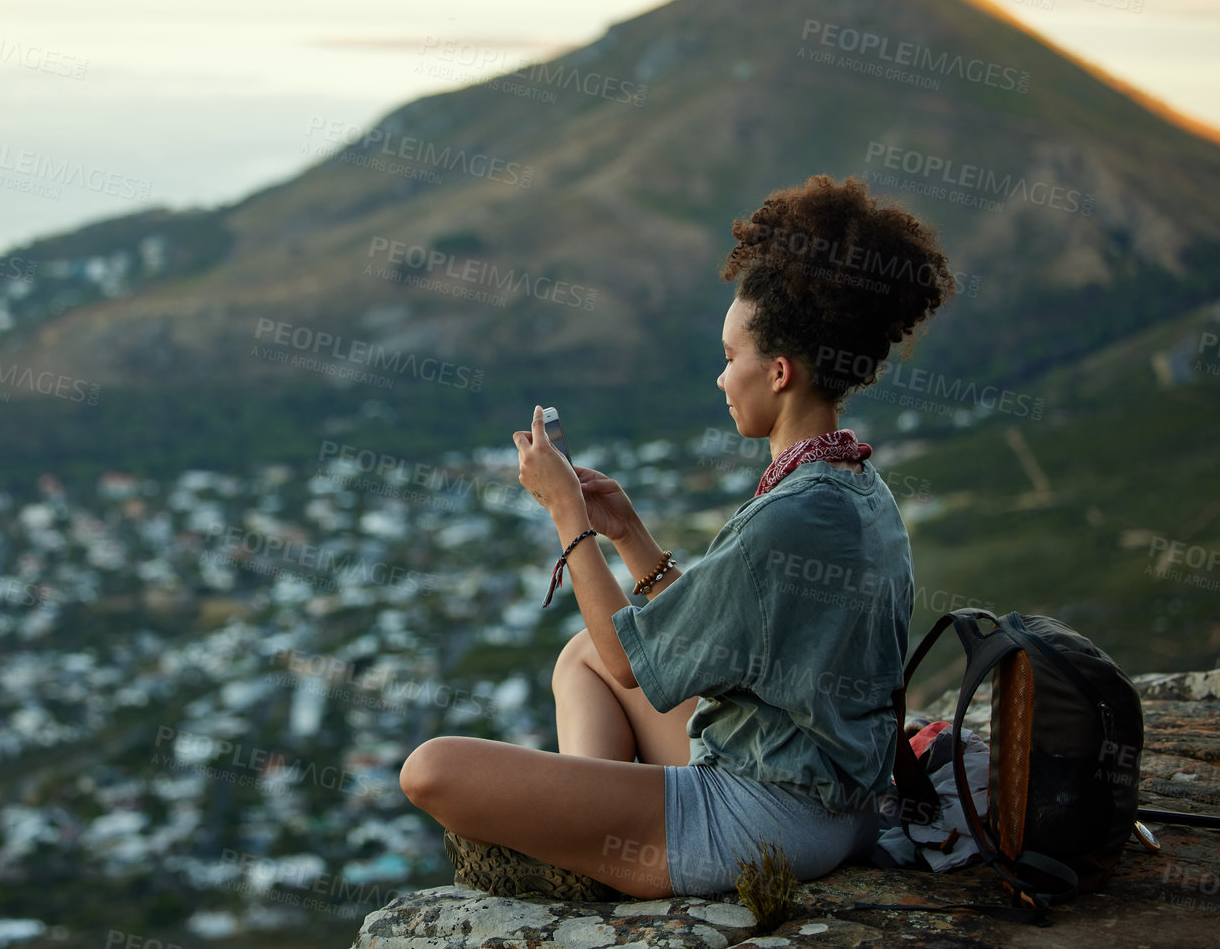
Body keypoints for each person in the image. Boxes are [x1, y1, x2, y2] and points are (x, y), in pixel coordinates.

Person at [399, 174, 956, 899]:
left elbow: (631, 663)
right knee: (581, 659)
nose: (721, 379)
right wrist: (627, 532)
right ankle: (596, 828)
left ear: (779, 372)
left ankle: (594, 852)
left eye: (730, 359)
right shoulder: (852, 486)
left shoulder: (793, 512)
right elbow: (699, 638)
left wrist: (567, 516)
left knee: (431, 769)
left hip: (767, 818)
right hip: (831, 794)